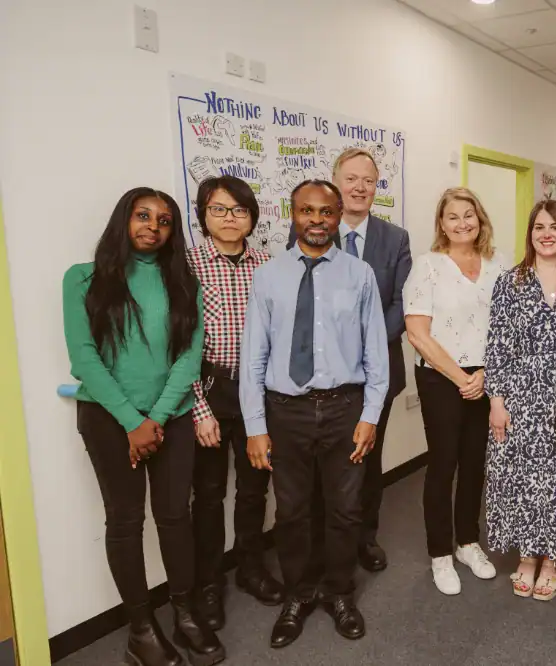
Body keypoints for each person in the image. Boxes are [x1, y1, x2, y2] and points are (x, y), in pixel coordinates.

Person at [63, 187, 225, 666]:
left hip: (168, 419)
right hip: (108, 420)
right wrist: (133, 423)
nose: (152, 227)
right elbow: (84, 359)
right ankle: (141, 630)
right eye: (142, 216)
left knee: (176, 516)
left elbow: (188, 357)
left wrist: (154, 420)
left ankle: (184, 612)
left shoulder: (183, 281)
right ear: (124, 219)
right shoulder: (82, 279)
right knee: (126, 521)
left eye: (164, 220)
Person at [240, 179, 388, 647]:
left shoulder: (360, 274)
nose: (317, 220)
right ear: (293, 213)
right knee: (291, 513)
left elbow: (376, 354)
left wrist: (370, 416)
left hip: (345, 409)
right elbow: (253, 358)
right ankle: (300, 595)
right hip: (286, 412)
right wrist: (255, 427)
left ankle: (341, 592)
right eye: (308, 211)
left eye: (326, 212)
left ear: (339, 213)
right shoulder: (268, 276)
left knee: (346, 510)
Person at [287, 148, 413, 572]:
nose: (360, 187)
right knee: (325, 465)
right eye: (352, 179)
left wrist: (368, 347)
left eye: (369, 181)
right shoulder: (311, 229)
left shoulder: (395, 239)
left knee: (368, 460)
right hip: (324, 375)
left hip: (379, 372)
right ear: (336, 182)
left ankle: (364, 538)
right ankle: (325, 544)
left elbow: (400, 302)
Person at [484, 200, 556, 601]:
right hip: (520, 397)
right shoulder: (509, 282)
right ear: (530, 233)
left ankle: (554, 559)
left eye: (554, 227)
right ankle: (527, 556)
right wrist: (496, 401)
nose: (546, 234)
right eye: (539, 227)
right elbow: (497, 345)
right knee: (520, 479)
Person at [186, 175, 282, 631]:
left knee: (253, 487)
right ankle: (207, 584)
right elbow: (174, 343)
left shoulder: (266, 264)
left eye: (239, 210)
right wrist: (199, 408)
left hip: (257, 392)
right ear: (204, 214)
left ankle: (250, 567)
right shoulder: (185, 264)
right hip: (208, 389)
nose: (229, 218)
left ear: (251, 217)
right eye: (219, 209)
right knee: (207, 495)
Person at [403, 187, 508, 595]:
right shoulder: (428, 265)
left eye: (469, 215)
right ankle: (440, 554)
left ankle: (467, 542)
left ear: (479, 219)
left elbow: (505, 326)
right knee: (443, 464)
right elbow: (417, 333)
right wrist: (460, 377)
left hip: (485, 375)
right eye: (453, 216)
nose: (462, 222)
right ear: (441, 224)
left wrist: (484, 373)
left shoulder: (498, 264)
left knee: (475, 462)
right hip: (440, 376)